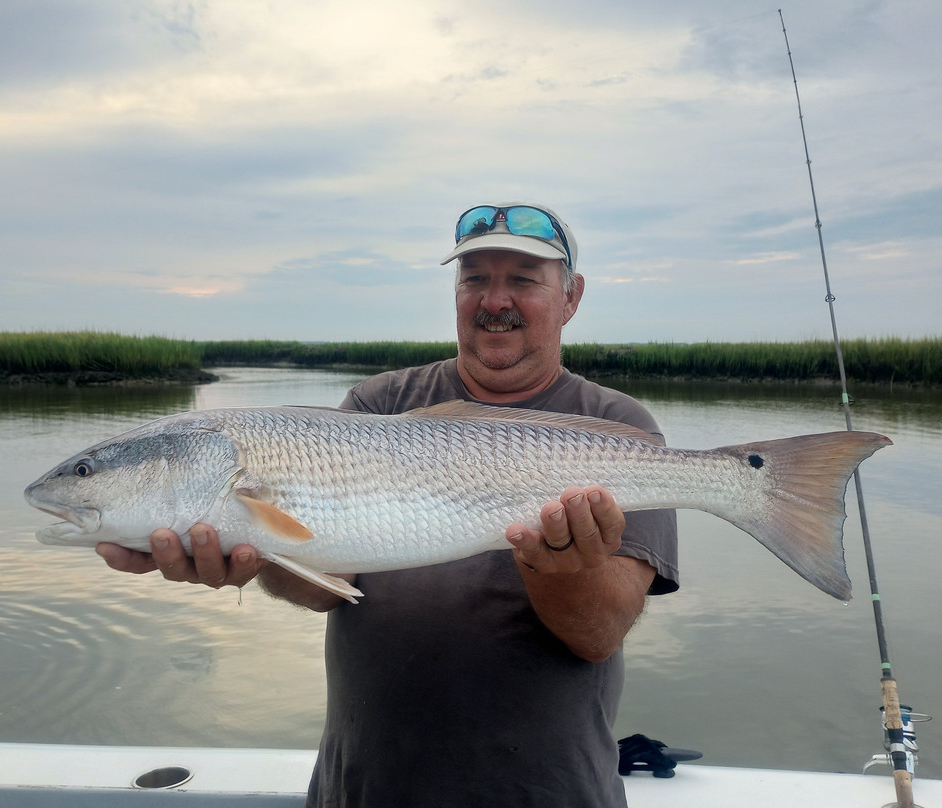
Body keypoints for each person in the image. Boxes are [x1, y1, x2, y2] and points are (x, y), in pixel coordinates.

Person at [97, 202, 679, 807]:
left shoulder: (615, 426)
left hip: (546, 793)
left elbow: (599, 633)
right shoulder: (380, 404)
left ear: (571, 297)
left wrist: (551, 563)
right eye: (474, 278)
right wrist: (257, 548)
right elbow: (327, 584)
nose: (494, 300)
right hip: (363, 789)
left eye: (523, 280)